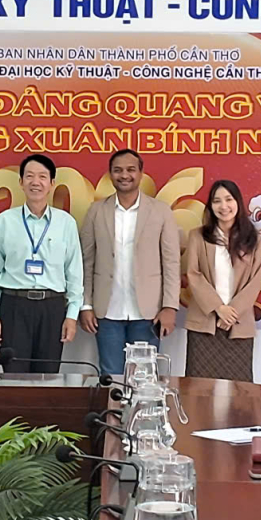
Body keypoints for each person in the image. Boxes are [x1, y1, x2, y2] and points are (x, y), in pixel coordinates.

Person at [79, 149, 182, 377]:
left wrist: (169, 307)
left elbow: (171, 263)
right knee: (111, 376)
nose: (124, 175)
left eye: (130, 170)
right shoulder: (96, 211)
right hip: (107, 311)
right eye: (118, 170)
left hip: (149, 313)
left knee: (144, 377)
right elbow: (86, 262)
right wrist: (85, 305)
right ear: (110, 175)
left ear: (141, 174)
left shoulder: (160, 211)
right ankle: (113, 404)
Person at [0, 155, 83, 374]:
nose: (35, 182)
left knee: (48, 376)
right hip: (14, 306)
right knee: (13, 376)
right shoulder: (4, 221)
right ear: (21, 182)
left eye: (42, 177)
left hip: (52, 307)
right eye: (29, 176)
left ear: (52, 183)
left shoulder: (66, 223)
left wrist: (72, 315)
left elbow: (74, 273)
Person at [184, 180, 261, 382]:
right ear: (210, 206)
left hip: (238, 325)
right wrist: (218, 308)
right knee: (199, 387)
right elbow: (193, 274)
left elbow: (254, 282)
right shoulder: (198, 236)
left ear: (238, 202)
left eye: (229, 199)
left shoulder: (255, 240)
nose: (223, 206)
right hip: (204, 324)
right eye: (217, 201)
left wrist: (231, 312)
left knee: (239, 388)